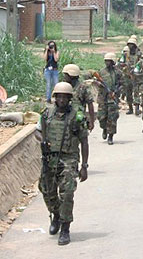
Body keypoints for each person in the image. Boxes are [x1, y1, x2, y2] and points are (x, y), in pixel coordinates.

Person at [36, 82, 89, 246]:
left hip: (69, 158)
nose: (62, 100)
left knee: (67, 193)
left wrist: (84, 166)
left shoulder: (76, 116)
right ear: (55, 98)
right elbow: (38, 130)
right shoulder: (47, 114)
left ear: (69, 98)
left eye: (65, 97)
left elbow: (84, 140)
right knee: (46, 189)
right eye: (59, 96)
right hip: (50, 158)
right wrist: (44, 141)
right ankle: (56, 215)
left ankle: (65, 228)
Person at [96, 53, 122, 145]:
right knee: (101, 117)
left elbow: (121, 83)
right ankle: (104, 128)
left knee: (112, 118)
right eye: (106, 61)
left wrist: (116, 91)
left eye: (109, 61)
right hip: (102, 97)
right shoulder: (101, 72)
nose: (107, 63)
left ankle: (110, 136)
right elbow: (96, 81)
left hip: (112, 98)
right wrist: (99, 84)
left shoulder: (117, 72)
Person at [62, 64, 95, 133]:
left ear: (72, 75)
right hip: (65, 116)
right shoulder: (63, 87)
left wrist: (92, 121)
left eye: (66, 75)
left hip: (79, 117)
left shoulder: (83, 88)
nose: (64, 77)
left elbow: (90, 104)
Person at [125, 37, 142, 115]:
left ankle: (137, 108)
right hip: (127, 75)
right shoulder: (125, 53)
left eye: (132, 45)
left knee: (136, 92)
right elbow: (121, 62)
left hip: (136, 76)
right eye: (129, 45)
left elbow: (141, 63)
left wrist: (136, 68)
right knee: (128, 92)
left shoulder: (138, 54)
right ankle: (130, 108)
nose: (130, 46)